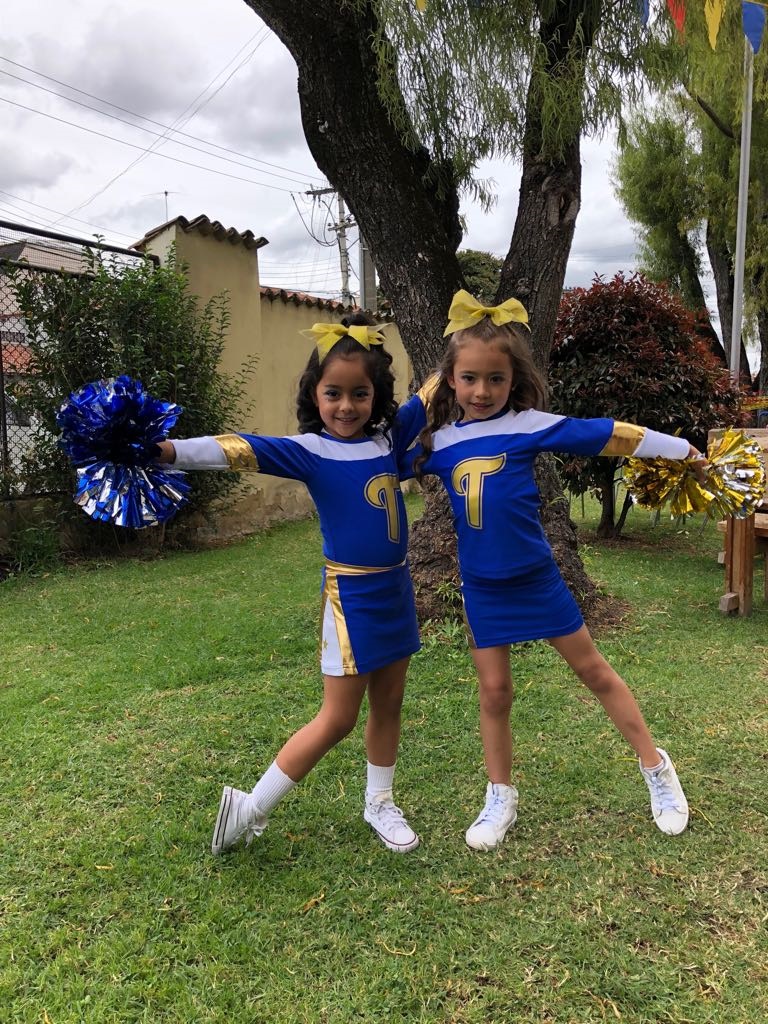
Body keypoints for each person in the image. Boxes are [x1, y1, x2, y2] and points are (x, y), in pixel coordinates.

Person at [406, 289, 702, 851]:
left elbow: (605, 433)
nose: (482, 391)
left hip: (537, 579)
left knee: (595, 673)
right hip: (483, 587)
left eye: (495, 379)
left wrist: (680, 450)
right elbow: (386, 451)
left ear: (513, 380)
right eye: (468, 378)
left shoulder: (531, 424)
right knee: (494, 692)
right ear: (449, 381)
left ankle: (656, 768)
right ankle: (500, 795)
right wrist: (425, 393)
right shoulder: (438, 442)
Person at [157, 316, 429, 855]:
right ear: (314, 394)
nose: (346, 406)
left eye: (360, 393)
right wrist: (166, 452)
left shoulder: (388, 438)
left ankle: (379, 802)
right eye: (333, 393)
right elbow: (238, 449)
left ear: (377, 396)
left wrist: (474, 339)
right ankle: (251, 807)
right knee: (338, 718)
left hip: (396, 590)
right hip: (350, 600)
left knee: (390, 702)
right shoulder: (310, 451)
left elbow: (434, 390)